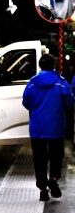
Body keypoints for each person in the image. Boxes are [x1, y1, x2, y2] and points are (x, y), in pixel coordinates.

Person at [23, 54, 74, 201]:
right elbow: (70, 102)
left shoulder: (32, 83)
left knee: (39, 158)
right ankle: (53, 179)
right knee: (56, 157)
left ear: (40, 66)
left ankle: (43, 188)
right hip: (56, 128)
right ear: (54, 66)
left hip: (37, 129)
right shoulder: (61, 83)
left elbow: (26, 102)